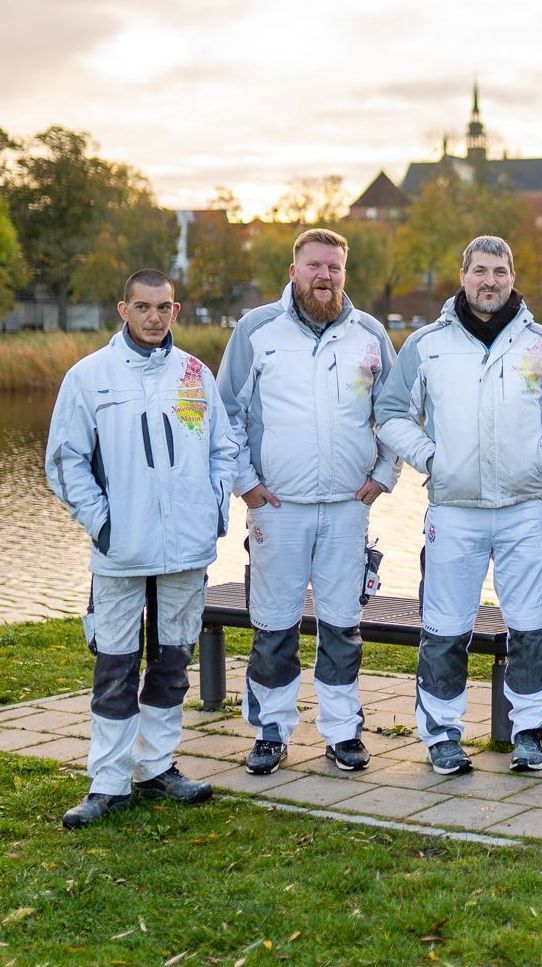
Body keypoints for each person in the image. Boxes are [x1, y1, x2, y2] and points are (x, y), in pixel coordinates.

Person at [375, 235, 542, 774]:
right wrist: (431, 458)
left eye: (499, 271)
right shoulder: (428, 344)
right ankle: (443, 733)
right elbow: (392, 410)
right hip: (454, 510)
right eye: (479, 271)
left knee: (530, 625)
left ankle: (529, 733)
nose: (489, 281)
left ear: (512, 276)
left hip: (524, 508)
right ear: (463, 275)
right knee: (445, 626)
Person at [46, 269, 238, 828]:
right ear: (122, 310)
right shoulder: (90, 377)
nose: (154, 317)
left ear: (176, 312)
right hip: (121, 550)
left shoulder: (195, 376)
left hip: (185, 548)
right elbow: (65, 461)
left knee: (172, 662)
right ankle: (108, 783)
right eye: (143, 306)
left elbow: (224, 449)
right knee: (114, 665)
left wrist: (214, 507)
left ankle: (157, 767)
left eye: (165, 307)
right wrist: (102, 523)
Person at [217, 228, 399, 776]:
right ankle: (271, 731)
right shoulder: (256, 330)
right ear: (294, 270)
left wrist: (385, 474)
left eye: (335, 268)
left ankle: (342, 732)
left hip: (347, 506)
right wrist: (244, 482)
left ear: (346, 272)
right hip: (278, 506)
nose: (326, 276)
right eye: (315, 266)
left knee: (342, 623)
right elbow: (225, 414)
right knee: (274, 624)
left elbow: (395, 411)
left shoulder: (368, 333)